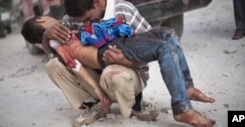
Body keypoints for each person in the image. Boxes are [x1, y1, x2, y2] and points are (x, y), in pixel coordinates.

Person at [21, 15, 216, 127]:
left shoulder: (67, 23)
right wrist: (98, 93)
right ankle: (182, 107)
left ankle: (186, 88)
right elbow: (75, 67)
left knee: (166, 35)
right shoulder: (58, 43)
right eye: (47, 19)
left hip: (119, 48)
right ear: (42, 20)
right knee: (164, 45)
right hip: (111, 53)